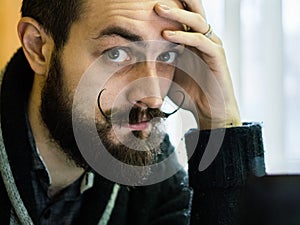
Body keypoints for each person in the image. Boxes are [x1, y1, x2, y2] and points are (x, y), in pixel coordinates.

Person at [0, 0, 265, 224]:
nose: (152, 96)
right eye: (117, 53)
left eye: (166, 57)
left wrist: (219, 122)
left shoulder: (150, 164)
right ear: (38, 48)